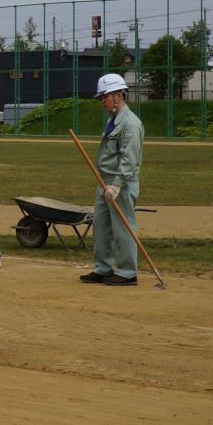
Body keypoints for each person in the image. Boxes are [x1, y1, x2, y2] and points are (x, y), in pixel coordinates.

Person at [81, 73, 145, 287]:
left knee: (122, 227)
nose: (102, 101)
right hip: (104, 181)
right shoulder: (113, 120)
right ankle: (103, 268)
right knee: (102, 226)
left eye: (104, 97)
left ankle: (127, 272)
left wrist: (117, 185)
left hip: (121, 184)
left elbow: (130, 158)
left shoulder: (131, 124)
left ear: (118, 95)